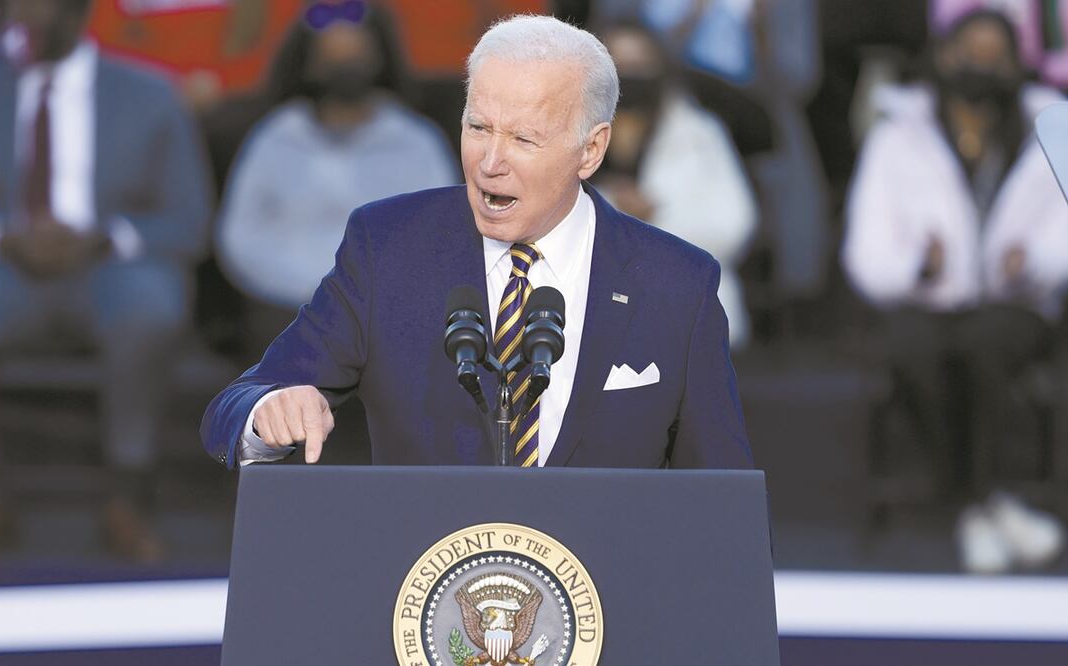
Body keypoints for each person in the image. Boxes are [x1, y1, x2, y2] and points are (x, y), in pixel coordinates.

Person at [201, 14, 752, 472]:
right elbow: (237, 405)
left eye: (523, 138)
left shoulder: (676, 282)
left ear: (591, 150)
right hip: (422, 589)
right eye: (479, 128)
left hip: (608, 598)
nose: (490, 163)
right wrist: (270, 410)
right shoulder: (388, 249)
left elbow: (722, 498)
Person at [843, 10, 1068, 574]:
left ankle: (973, 501)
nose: (983, 66)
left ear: (1018, 63)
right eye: (972, 51)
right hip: (927, 302)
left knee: (985, 343)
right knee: (917, 347)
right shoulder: (900, 133)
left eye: (997, 55)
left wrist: (1033, 258)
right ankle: (986, 502)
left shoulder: (1053, 126)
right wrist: (919, 264)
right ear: (945, 56)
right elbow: (866, 249)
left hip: (1015, 302)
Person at [0, 0, 212, 559]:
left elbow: (188, 219)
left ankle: (128, 496)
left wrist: (105, 237)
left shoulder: (150, 94)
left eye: (33, 7)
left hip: (115, 264)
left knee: (150, 309)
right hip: (7, 266)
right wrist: (3, 237)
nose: (19, 19)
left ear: (76, 12)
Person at [215, 5, 458, 346]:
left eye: (356, 56)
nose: (345, 68)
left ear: (378, 59)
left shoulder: (415, 141)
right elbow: (240, 236)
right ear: (309, 64)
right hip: (286, 308)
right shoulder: (274, 138)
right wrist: (304, 290)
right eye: (333, 58)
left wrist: (373, 295)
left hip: (388, 311)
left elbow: (442, 234)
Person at [593, 21, 757, 349]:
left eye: (640, 68)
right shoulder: (567, 136)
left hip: (686, 326)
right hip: (593, 331)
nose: (629, 82)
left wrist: (653, 215)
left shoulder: (698, 133)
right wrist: (608, 204)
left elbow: (735, 224)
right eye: (616, 68)